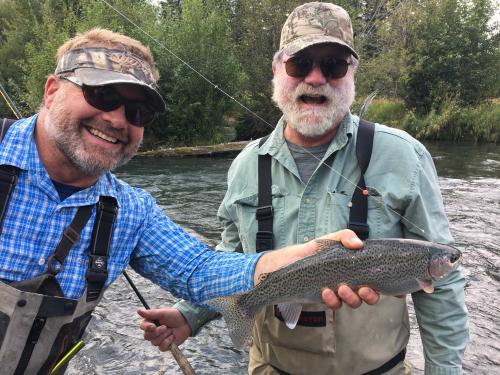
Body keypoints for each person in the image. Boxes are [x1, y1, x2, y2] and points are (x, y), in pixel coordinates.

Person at [0, 28, 380, 374]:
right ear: (51, 91)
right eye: (102, 94)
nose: (117, 119)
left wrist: (292, 259)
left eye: (138, 111)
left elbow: (199, 270)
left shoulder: (130, 211)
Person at [139, 2, 469, 375]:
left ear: (352, 75)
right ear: (277, 70)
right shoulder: (246, 164)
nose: (315, 78)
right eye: (299, 64)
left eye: (333, 65)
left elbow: (441, 289)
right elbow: (230, 255)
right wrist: (188, 316)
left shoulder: (403, 155)